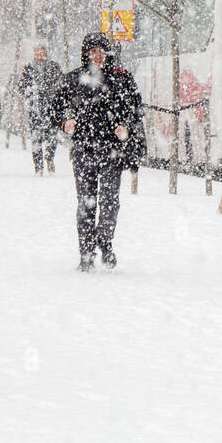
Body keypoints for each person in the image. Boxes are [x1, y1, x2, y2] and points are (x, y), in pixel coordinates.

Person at [51, 31, 145, 271]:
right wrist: (65, 123)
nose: (98, 56)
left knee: (110, 201)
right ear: (86, 54)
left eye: (101, 51)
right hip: (84, 150)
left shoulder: (122, 79)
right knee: (86, 203)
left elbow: (135, 108)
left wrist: (125, 126)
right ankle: (86, 252)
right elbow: (54, 108)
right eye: (93, 51)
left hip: (111, 152)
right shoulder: (73, 79)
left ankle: (105, 240)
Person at [17, 45, 65, 175]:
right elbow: (22, 86)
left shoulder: (54, 66)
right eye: (37, 54)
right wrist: (30, 93)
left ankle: (49, 158)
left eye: (42, 54)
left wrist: (55, 95)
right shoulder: (29, 68)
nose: (39, 57)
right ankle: (38, 166)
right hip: (35, 108)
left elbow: (61, 84)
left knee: (51, 136)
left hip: (51, 107)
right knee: (36, 138)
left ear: (46, 53)